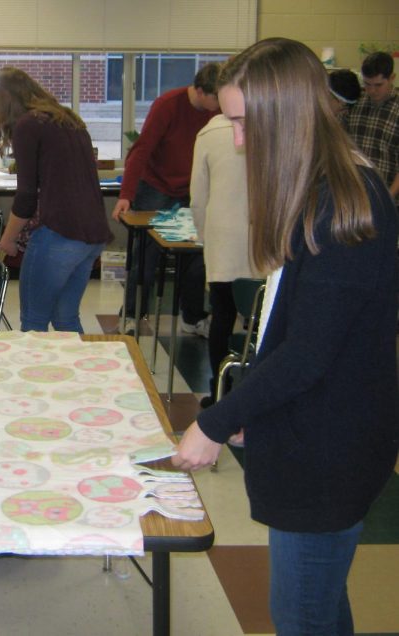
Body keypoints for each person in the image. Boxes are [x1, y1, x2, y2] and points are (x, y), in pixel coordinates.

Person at [173, 38, 398, 635]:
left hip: (330, 450)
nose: (240, 141)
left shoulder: (346, 202)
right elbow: (288, 332)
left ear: (289, 113)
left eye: (246, 124)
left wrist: (214, 421)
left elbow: (310, 352)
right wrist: (256, 407)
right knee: (320, 605)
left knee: (300, 614)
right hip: (311, 428)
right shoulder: (315, 189)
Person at [0, 67, 112, 332]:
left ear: (5, 101)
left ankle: (34, 374)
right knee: (66, 317)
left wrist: (7, 239)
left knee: (34, 320)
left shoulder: (28, 125)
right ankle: (78, 373)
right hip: (91, 236)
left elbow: (27, 196)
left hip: (60, 234)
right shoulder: (68, 119)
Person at [112, 63, 221, 336]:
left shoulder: (218, 111)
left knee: (196, 258)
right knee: (146, 258)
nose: (220, 104)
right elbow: (141, 149)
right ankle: (132, 315)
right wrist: (126, 195)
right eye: (215, 98)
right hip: (156, 186)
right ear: (199, 90)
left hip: (192, 189)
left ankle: (192, 317)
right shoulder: (168, 105)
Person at [189, 114, 256, 408]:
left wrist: (205, 236)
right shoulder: (275, 121)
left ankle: (220, 391)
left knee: (223, 317)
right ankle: (255, 392)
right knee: (260, 321)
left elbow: (197, 197)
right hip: (264, 241)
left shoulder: (209, 133)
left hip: (224, 240)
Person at [345, 51, 399, 200]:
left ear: (392, 78)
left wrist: (387, 198)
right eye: (367, 84)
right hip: (355, 195)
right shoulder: (355, 104)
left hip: (387, 197)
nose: (372, 90)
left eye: (378, 85)